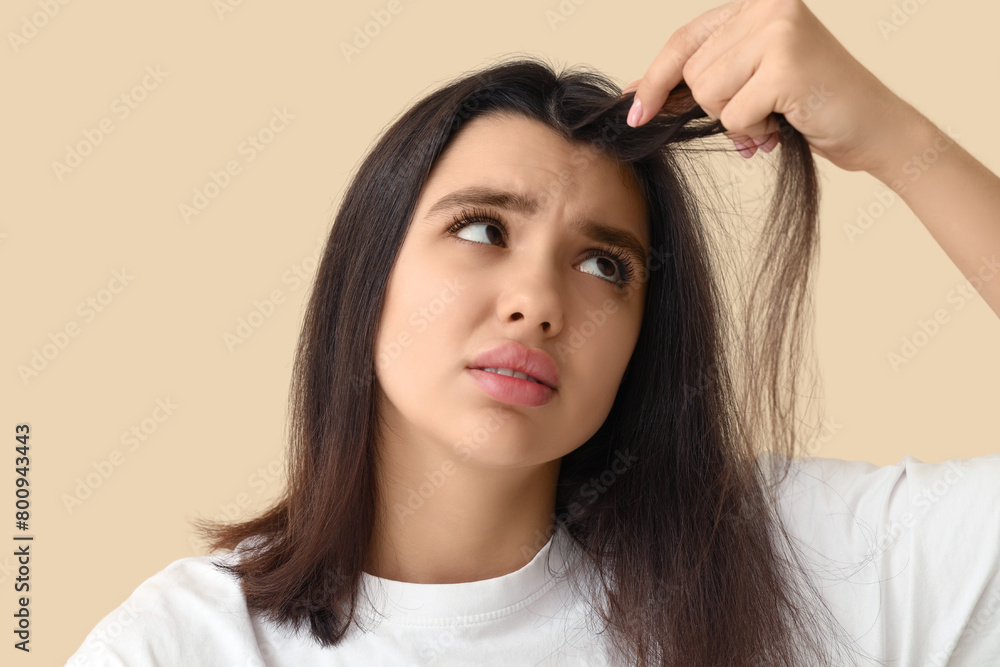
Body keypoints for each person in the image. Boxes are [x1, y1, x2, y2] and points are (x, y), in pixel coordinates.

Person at [66, 0, 1000, 665]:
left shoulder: (797, 564)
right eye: (482, 228)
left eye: (606, 264)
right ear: (368, 270)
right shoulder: (183, 645)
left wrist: (890, 137)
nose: (537, 301)